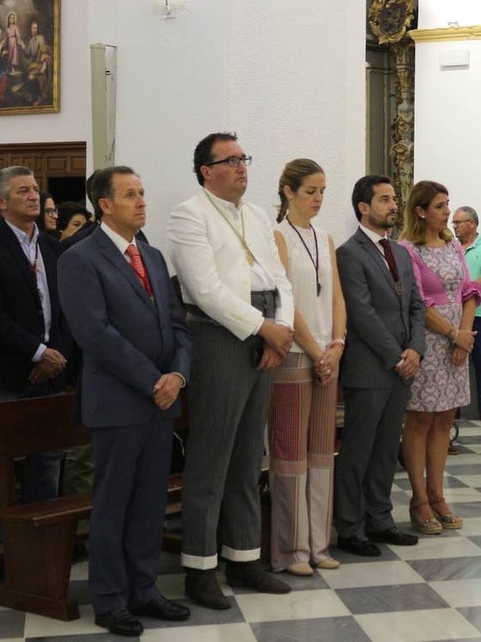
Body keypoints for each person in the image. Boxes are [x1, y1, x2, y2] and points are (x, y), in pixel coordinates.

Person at [58, 166, 192, 637]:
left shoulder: (152, 256)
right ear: (105, 204)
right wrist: (152, 379)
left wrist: (176, 374)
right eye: (130, 194)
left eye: (142, 192)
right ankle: (110, 599)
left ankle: (145, 590)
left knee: (150, 502)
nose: (141, 201)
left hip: (160, 400)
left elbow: (177, 324)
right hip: (118, 401)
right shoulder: (80, 259)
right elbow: (95, 334)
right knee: (113, 503)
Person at [167, 133, 295, 608]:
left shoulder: (258, 214)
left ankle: (244, 559)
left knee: (247, 456)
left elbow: (280, 279)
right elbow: (204, 290)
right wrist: (263, 327)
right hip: (221, 335)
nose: (243, 167)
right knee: (212, 456)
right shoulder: (189, 214)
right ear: (206, 170)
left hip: (264, 333)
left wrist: (280, 331)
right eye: (232, 160)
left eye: (245, 158)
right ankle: (200, 569)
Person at [0, 166, 73, 574]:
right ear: (2, 201)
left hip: (49, 372)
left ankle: (43, 535)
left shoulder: (51, 247)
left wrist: (55, 354)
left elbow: (64, 309)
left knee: (48, 457)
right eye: (23, 191)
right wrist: (37, 352)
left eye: (35, 189)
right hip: (3, 373)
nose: (34, 196)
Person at [333, 175, 426, 558]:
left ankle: (380, 520)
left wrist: (416, 349)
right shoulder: (349, 253)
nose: (393, 206)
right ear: (363, 207)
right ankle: (350, 528)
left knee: (388, 449)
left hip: (402, 366)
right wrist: (396, 356)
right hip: (371, 368)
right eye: (385, 199)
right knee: (358, 451)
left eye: (394, 199)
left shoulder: (401, 252)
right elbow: (361, 313)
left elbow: (417, 305)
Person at [270, 159, 346, 575]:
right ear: (287, 191)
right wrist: (316, 350)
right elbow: (287, 302)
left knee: (322, 453)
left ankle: (319, 544)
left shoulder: (326, 238)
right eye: (309, 191)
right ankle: (292, 549)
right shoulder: (277, 236)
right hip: (296, 356)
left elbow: (336, 298)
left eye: (321, 191)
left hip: (326, 356)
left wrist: (336, 344)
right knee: (290, 454)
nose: (317, 199)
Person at [398, 181, 481, 535]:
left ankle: (438, 494)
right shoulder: (408, 249)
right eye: (439, 206)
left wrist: (464, 335)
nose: (448, 212)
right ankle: (418, 500)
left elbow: (469, 290)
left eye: (448, 204)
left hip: (457, 343)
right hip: (428, 342)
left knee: (445, 421)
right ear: (420, 211)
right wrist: (452, 335)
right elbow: (418, 301)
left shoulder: (452, 245)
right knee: (419, 421)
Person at [452, 206, 481, 424]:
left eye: (458, 222)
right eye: (453, 223)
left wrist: (467, 290)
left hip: (479, 313)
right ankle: (453, 409)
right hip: (453, 315)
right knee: (454, 362)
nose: (454, 227)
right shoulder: (450, 247)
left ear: (472, 223)